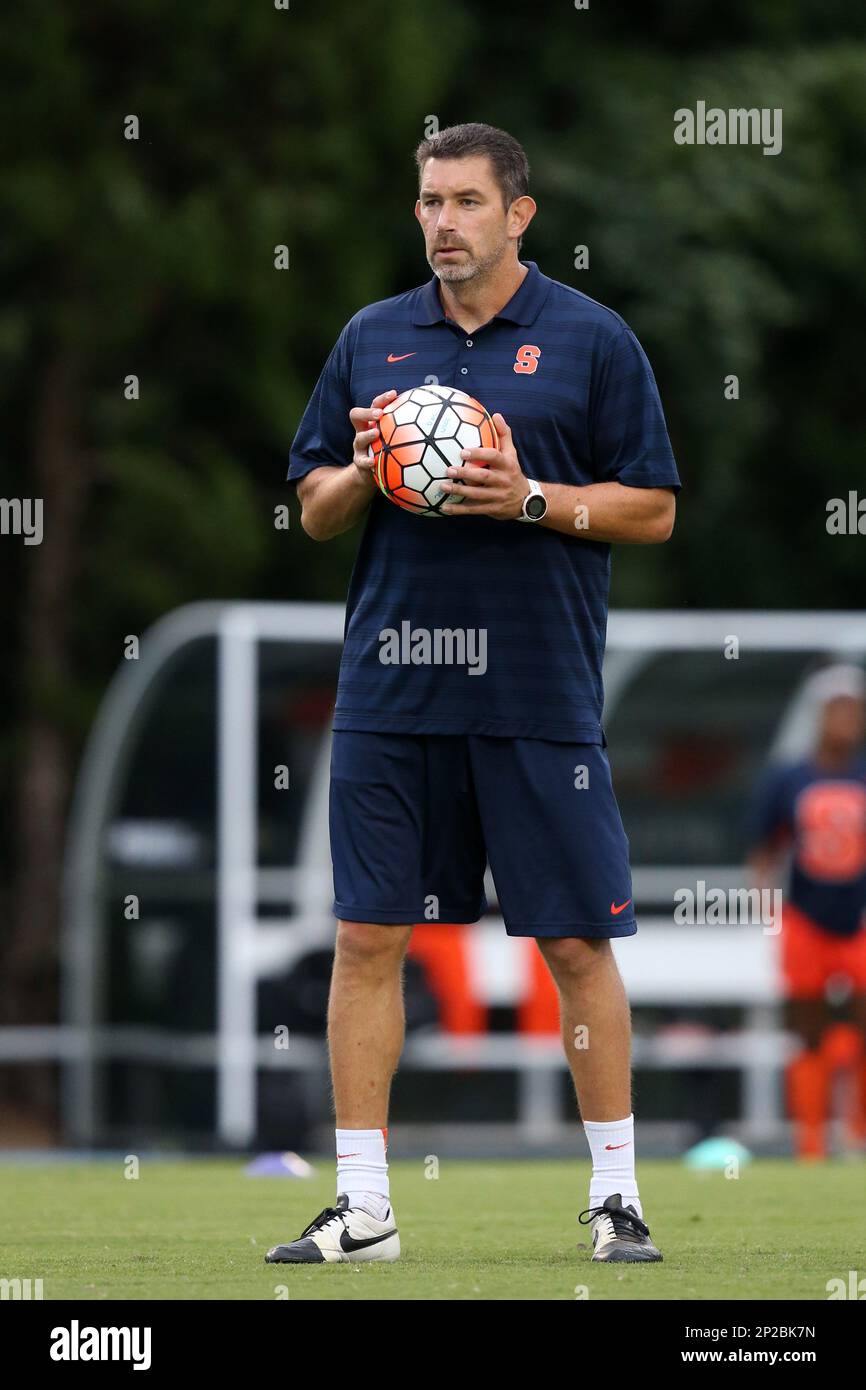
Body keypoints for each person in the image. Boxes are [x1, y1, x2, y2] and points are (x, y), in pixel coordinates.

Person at [266, 122, 680, 1266]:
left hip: (538, 689)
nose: (442, 221)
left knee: (573, 944)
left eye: (463, 201)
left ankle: (613, 1197)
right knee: (364, 936)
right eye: (427, 202)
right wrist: (367, 467)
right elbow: (312, 510)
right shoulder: (371, 338)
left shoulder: (591, 341)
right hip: (392, 688)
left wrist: (531, 499)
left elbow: (650, 508)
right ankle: (363, 1205)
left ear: (518, 214)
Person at [747, 664, 866, 1160]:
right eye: (836, 709)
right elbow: (763, 848)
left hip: (859, 919)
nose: (845, 719)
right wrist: (765, 906)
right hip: (806, 917)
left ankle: (857, 1131)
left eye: (852, 710)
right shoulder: (788, 775)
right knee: (808, 1030)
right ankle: (811, 1141)